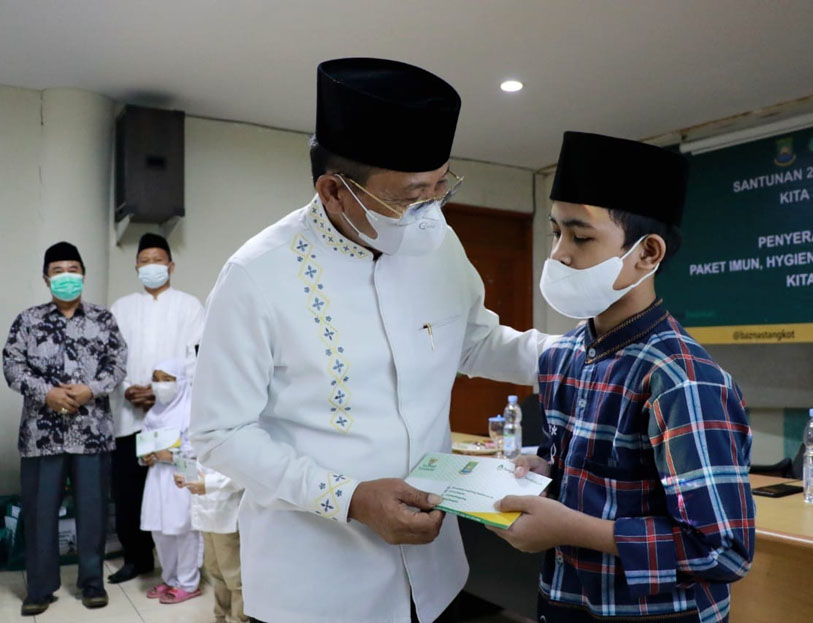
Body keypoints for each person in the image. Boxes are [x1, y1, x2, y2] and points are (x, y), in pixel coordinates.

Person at [190, 57, 551, 623]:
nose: (431, 210)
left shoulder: (437, 243)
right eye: (411, 195)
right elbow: (220, 435)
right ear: (335, 191)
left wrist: (582, 357)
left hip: (435, 575)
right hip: (316, 586)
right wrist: (351, 498)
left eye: (441, 186)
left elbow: (476, 340)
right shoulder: (256, 276)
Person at [489, 132, 755, 623]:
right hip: (565, 600)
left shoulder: (682, 380)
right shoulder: (563, 356)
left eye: (581, 236)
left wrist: (570, 527)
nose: (559, 254)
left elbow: (723, 550)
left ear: (647, 253)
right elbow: (600, 479)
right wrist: (546, 473)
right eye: (555, 233)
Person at [2, 242, 127, 616]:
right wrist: (48, 393)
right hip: (42, 435)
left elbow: (118, 365)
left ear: (83, 274)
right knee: (40, 512)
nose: (66, 276)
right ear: (46, 278)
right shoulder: (28, 321)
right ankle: (40, 588)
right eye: (58, 271)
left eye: (73, 269)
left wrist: (91, 389)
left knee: (92, 511)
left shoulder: (103, 319)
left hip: (92, 432)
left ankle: (92, 583)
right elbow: (12, 366)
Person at [108, 233, 205, 584]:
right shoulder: (121, 308)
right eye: (145, 261)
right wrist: (126, 389)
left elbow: (196, 360)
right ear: (136, 267)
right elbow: (111, 359)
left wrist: (163, 392)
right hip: (129, 413)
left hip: (175, 416)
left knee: (177, 487)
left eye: (158, 261)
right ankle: (136, 558)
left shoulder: (190, 307)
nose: (152, 267)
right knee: (129, 491)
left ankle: (183, 567)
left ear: (171, 266)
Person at [139, 358, 203, 605]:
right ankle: (170, 578)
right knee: (160, 530)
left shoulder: (192, 411)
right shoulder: (154, 412)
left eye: (168, 380)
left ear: (182, 382)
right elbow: (144, 443)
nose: (161, 385)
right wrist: (145, 457)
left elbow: (197, 451)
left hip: (183, 475)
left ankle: (188, 583)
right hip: (157, 477)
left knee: (183, 529)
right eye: (156, 380)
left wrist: (173, 457)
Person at [175, 464, 246, 623]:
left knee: (234, 578)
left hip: (226, 515)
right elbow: (198, 464)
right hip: (206, 514)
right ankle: (220, 617)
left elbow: (241, 476)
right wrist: (186, 477)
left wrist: (208, 483)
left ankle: (238, 619)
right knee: (216, 572)